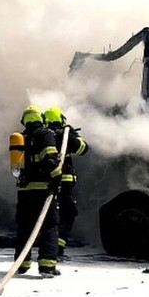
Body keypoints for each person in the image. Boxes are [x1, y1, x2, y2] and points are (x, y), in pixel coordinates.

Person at [15, 105, 62, 277]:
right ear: (40, 119)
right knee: (49, 226)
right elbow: (50, 158)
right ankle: (47, 266)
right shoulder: (45, 134)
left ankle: (21, 264)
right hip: (43, 189)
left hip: (24, 190)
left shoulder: (20, 137)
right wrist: (56, 177)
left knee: (25, 226)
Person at [44, 106, 88, 258]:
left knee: (50, 215)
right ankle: (58, 247)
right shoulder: (64, 135)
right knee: (68, 214)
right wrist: (72, 135)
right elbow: (83, 149)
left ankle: (52, 246)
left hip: (45, 183)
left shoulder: (44, 136)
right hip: (64, 182)